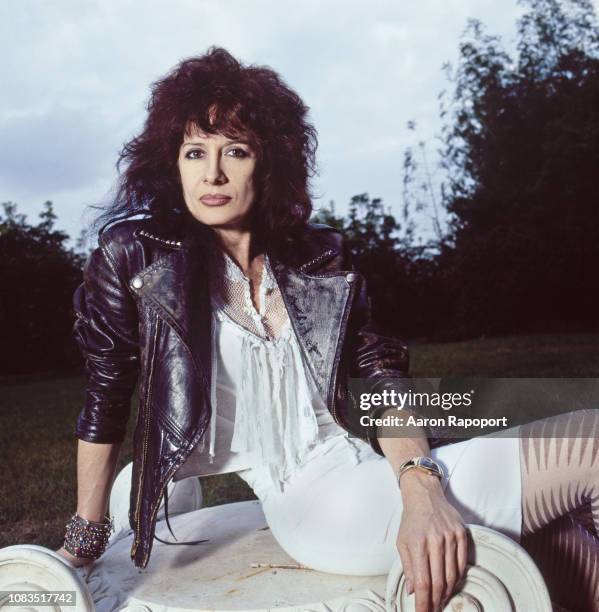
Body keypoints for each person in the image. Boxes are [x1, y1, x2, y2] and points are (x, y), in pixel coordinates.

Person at [56, 47, 599, 612]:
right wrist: (85, 540)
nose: (212, 173)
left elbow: (380, 379)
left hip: (374, 461)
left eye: (234, 151)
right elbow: (107, 394)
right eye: (195, 152)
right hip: (321, 502)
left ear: (267, 164)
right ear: (173, 164)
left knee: (563, 542)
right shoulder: (136, 257)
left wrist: (419, 484)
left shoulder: (321, 256)